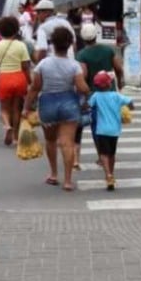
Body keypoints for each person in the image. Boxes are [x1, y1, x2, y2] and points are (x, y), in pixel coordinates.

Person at [23, 26, 90, 191]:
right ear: (69, 45)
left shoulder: (43, 64)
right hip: (69, 102)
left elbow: (34, 88)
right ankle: (68, 180)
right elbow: (82, 88)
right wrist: (87, 95)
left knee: (51, 141)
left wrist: (26, 108)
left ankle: (53, 174)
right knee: (67, 143)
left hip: (48, 103)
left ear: (52, 43)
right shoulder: (74, 66)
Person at [75, 22, 123, 170]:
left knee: (97, 126)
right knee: (109, 122)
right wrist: (119, 83)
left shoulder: (82, 54)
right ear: (96, 35)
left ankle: (101, 155)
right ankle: (109, 154)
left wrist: (83, 90)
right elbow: (118, 68)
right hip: (110, 91)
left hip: (94, 93)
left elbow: (83, 74)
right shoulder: (107, 50)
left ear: (83, 38)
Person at [0, 16, 32, 146]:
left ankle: (7, 126)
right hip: (19, 78)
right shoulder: (21, 45)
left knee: (4, 109)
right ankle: (16, 137)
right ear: (16, 30)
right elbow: (25, 66)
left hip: (4, 78)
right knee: (17, 108)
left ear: (0, 30)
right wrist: (29, 81)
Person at [89, 71, 134, 190]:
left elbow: (89, 105)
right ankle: (111, 174)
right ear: (109, 84)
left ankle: (108, 174)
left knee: (103, 153)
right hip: (114, 130)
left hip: (101, 130)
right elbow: (130, 102)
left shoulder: (96, 96)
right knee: (112, 153)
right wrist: (130, 108)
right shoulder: (116, 95)